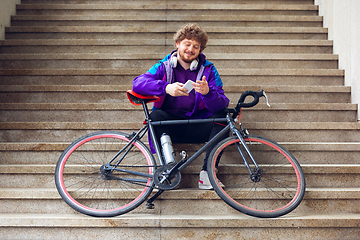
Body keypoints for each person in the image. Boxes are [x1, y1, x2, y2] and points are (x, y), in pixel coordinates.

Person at [133, 23, 229, 190]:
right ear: (178, 43)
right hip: (170, 127)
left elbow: (221, 102)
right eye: (187, 43)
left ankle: (208, 174)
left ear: (200, 50)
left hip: (198, 125)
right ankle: (167, 168)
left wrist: (208, 93)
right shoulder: (163, 66)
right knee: (155, 116)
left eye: (196, 46)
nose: (190, 49)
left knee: (223, 118)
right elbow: (138, 83)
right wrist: (165, 88)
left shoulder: (209, 70)